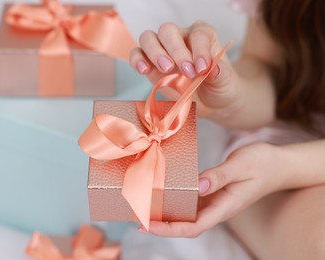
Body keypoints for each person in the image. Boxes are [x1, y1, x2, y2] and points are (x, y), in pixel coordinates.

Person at [129, 0, 325, 258]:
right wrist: (231, 96)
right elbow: (272, 68)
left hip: (284, 162)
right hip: (292, 139)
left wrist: (283, 166)